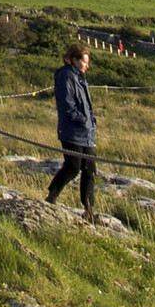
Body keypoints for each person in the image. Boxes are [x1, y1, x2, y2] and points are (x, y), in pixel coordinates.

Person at [47, 40, 97, 215]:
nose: (86, 66)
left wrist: (90, 122)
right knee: (73, 166)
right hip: (71, 131)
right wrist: (83, 119)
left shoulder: (80, 77)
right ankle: (52, 195)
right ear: (73, 59)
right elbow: (67, 105)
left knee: (90, 169)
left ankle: (89, 209)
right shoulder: (65, 76)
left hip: (87, 132)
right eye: (84, 62)